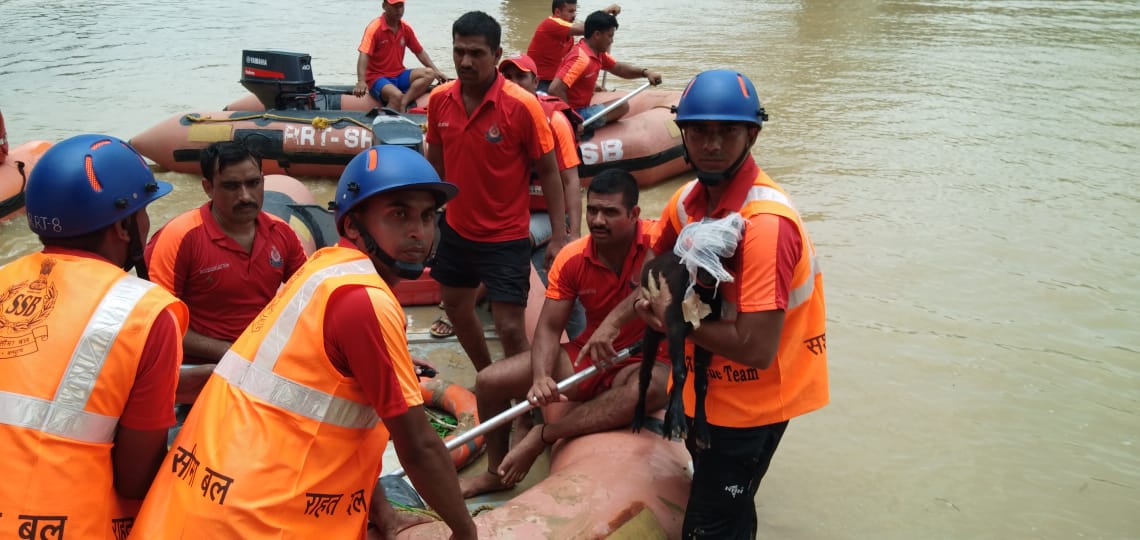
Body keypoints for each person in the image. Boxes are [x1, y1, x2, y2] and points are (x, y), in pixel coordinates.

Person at [129, 145, 476, 539]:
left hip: (201, 504)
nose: (418, 231)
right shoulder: (363, 298)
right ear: (351, 226)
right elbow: (418, 446)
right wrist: (466, 532)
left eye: (428, 216)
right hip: (257, 521)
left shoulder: (318, 262)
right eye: (399, 214)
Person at [592, 69, 830, 539]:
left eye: (727, 131)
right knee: (730, 508)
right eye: (700, 131)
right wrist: (613, 321)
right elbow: (654, 272)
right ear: (683, 134)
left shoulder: (765, 224)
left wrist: (672, 320)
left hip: (756, 400)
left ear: (752, 135)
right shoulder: (689, 203)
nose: (712, 144)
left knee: (708, 526)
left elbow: (756, 346)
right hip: (707, 388)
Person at [0, 134, 188, 538]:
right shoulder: (146, 313)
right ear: (123, 225)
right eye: (143, 210)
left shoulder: (5, 280)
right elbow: (135, 479)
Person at [459, 169, 669, 497]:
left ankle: (545, 433)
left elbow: (650, 289)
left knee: (647, 387)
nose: (598, 220)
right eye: (593, 210)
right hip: (592, 354)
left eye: (610, 212)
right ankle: (495, 473)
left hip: (647, 357)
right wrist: (542, 376)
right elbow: (548, 327)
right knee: (489, 382)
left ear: (634, 214)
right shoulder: (573, 258)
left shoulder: (660, 241)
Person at [426, 11, 568, 372]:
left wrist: (560, 235)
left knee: (509, 327)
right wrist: (428, 222)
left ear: (497, 54)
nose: (465, 62)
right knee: (457, 308)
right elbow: (436, 168)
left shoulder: (522, 105)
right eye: (459, 52)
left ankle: (519, 405)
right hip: (457, 230)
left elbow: (551, 172)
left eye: (476, 53)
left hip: (506, 236)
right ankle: (489, 376)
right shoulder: (440, 100)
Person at [145, 141, 307, 404]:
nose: (245, 196)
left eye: (253, 183)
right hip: (194, 372)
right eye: (231, 186)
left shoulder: (282, 234)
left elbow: (312, 299)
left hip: (257, 363)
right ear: (208, 187)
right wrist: (232, 352)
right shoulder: (179, 237)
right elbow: (156, 326)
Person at [499, 52, 587, 340]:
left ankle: (471, 298)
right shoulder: (497, 116)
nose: (512, 82)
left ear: (535, 81)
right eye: (507, 77)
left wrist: (572, 235)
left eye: (520, 76)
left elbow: (571, 182)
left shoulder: (555, 122)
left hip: (546, 214)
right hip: (513, 209)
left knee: (514, 240)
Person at [547, 10, 663, 128]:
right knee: (622, 106)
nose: (611, 41)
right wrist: (572, 119)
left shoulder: (597, 53)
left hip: (580, 108)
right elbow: (554, 89)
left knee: (618, 104)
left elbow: (618, 68)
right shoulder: (581, 59)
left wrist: (645, 72)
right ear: (597, 35)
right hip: (573, 113)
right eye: (610, 36)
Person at [352, 0, 448, 112]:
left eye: (401, 6)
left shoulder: (405, 28)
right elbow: (364, 54)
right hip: (376, 77)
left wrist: (437, 71)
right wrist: (361, 81)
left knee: (430, 73)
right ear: (384, 6)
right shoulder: (374, 28)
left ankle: (403, 103)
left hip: (399, 74)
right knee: (396, 95)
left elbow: (419, 52)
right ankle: (386, 120)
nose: (399, 10)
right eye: (394, 6)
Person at [526, 1, 622, 92]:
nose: (574, 15)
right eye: (570, 11)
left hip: (554, 80)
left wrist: (593, 85)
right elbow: (588, 28)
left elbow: (570, 64)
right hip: (538, 81)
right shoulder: (551, 23)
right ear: (557, 12)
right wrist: (604, 14)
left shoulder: (569, 37)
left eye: (575, 11)